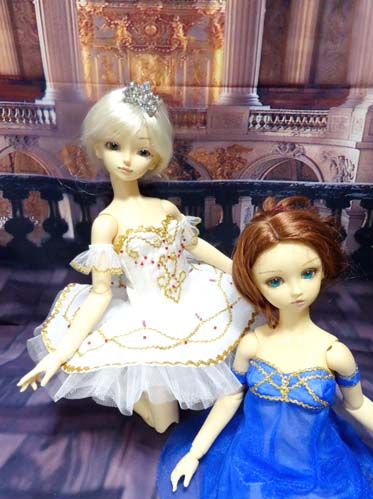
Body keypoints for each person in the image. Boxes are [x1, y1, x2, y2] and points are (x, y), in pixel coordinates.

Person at [17, 82, 255, 433]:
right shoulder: (107, 223)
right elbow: (100, 293)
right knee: (164, 424)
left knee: (214, 386)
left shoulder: (164, 207)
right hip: (145, 317)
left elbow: (194, 245)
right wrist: (60, 354)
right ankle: (130, 392)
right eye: (114, 146)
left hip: (193, 301)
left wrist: (239, 273)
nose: (127, 160)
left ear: (154, 156)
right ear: (99, 147)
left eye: (142, 151)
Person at [158, 196, 373, 499]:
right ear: (254, 283)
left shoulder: (333, 353)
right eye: (275, 281)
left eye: (308, 273)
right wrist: (195, 452)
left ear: (323, 268)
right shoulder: (253, 345)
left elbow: (357, 405)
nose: (295, 290)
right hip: (252, 465)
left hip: (315, 471)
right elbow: (230, 397)